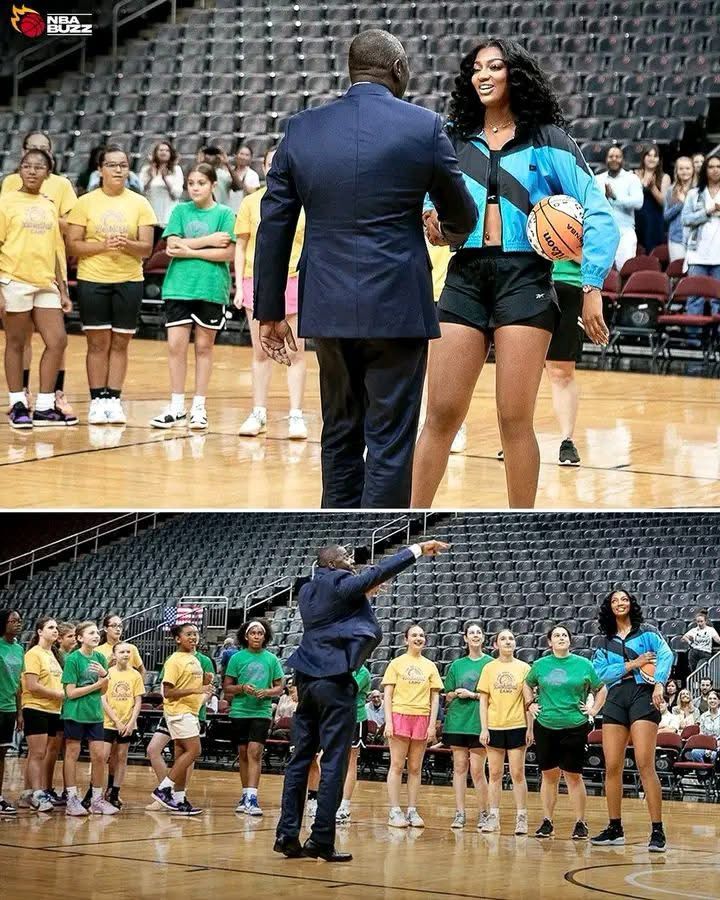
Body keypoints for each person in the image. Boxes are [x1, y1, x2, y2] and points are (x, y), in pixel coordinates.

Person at [254, 29, 477, 508]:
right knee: (391, 444)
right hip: (398, 304)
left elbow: (273, 224)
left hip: (328, 304)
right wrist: (446, 230)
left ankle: (337, 536)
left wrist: (269, 310)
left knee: (338, 433)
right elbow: (462, 213)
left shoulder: (302, 128)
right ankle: (376, 540)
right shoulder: (424, 126)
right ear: (398, 69)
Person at [413, 39, 617, 510]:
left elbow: (597, 211)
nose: (483, 75)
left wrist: (591, 285)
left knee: (514, 419)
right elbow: (428, 196)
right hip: (465, 274)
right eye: (476, 68)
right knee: (440, 414)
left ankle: (519, 524)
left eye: (495, 66)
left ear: (515, 75)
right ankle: (410, 519)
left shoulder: (548, 140)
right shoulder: (453, 139)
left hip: (525, 277)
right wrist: (433, 221)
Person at [273, 538, 449, 862]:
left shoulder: (308, 589)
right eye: (345, 557)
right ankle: (321, 839)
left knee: (300, 760)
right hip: (334, 680)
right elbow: (379, 571)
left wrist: (361, 595)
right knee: (334, 761)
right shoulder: (341, 584)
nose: (351, 560)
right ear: (330, 564)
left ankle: (287, 834)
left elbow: (336, 611)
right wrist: (418, 549)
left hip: (305, 680)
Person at [65, 144, 156, 425]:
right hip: (93, 280)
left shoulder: (140, 203)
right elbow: (73, 245)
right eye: (112, 165)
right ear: (100, 169)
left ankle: (113, 399)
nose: (118, 170)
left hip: (129, 281)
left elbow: (147, 249)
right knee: (97, 343)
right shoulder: (85, 203)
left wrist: (127, 244)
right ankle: (97, 400)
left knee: (120, 342)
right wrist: (102, 245)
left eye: (123, 165)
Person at [149, 162, 235, 431]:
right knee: (176, 347)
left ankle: (199, 407)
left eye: (201, 183)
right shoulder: (180, 211)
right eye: (191, 183)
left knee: (204, 348)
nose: (195, 188)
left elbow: (228, 253)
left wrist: (187, 249)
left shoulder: (225, 214)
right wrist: (207, 241)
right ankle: (176, 406)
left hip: (210, 288)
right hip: (179, 287)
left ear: (213, 185)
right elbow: (171, 246)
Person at [1, 131, 78, 419]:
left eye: (38, 167)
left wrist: (63, 289)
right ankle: (17, 403)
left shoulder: (49, 205)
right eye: (27, 166)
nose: (32, 171)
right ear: (20, 169)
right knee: (16, 342)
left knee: (57, 341)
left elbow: (56, 249)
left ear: (48, 173)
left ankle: (45, 405)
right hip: (14, 281)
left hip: (46, 283)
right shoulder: (5, 202)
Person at [590, 588, 674, 852]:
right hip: (616, 697)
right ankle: (615, 828)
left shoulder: (647, 631)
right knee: (612, 766)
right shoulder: (604, 642)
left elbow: (666, 655)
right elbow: (599, 674)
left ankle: (657, 830)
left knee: (645, 764)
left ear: (631, 604)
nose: (620, 603)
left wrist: (659, 683)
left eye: (624, 599)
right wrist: (632, 664)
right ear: (609, 607)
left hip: (643, 694)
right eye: (615, 600)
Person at [234, 147, 308, 441]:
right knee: (261, 351)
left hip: (296, 279)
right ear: (264, 168)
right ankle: (258, 412)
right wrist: (239, 284)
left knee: (296, 351)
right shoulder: (251, 203)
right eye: (270, 162)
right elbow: (241, 246)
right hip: (257, 280)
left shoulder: (305, 201)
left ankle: (296, 415)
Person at [523, 624, 607, 840]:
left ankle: (580, 822)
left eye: (564, 635)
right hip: (545, 725)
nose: (561, 638)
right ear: (549, 642)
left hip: (575, 726)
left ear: (570, 640)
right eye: (556, 635)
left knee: (573, 776)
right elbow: (526, 684)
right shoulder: (540, 665)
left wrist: (593, 710)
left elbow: (601, 688)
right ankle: (547, 821)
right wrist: (530, 704)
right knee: (548, 775)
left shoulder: (584, 664)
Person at [382, 625, 443, 828]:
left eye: (422, 635)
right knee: (397, 765)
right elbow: (388, 695)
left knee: (415, 767)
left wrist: (432, 725)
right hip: (399, 715)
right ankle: (394, 811)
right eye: (414, 635)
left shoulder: (430, 666)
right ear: (405, 639)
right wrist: (389, 721)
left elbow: (435, 698)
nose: (418, 638)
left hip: (421, 717)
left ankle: (412, 810)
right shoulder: (396, 664)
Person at [223, 619, 284, 816]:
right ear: (246, 636)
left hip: (261, 712)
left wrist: (266, 692)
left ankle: (252, 796)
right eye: (253, 633)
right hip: (240, 711)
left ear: (265, 637)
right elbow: (227, 687)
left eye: (260, 633)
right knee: (242, 753)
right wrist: (242, 688)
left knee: (255, 752)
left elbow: (279, 688)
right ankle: (244, 794)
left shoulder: (271, 659)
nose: (257, 636)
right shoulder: (236, 658)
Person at [145, 640, 214, 812]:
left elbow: (206, 689)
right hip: (177, 711)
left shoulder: (202, 660)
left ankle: (178, 797)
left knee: (184, 754)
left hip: (192, 711)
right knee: (187, 751)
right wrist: (194, 694)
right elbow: (167, 690)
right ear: (178, 638)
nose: (193, 638)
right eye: (188, 634)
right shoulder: (174, 659)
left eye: (195, 634)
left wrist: (197, 700)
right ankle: (164, 789)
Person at [477, 628, 532, 835]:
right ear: (496, 644)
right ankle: (493, 817)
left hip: (517, 726)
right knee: (495, 773)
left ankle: (522, 817)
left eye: (511, 638)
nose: (508, 641)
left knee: (517, 773)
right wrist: (484, 728)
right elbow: (483, 701)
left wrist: (530, 728)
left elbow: (528, 701)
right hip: (494, 726)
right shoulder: (489, 668)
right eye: (503, 639)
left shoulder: (524, 668)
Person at [61, 621, 117, 816]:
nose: (96, 636)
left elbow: (104, 689)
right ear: (80, 638)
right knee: (72, 754)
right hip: (75, 712)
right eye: (91, 633)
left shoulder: (100, 657)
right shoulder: (73, 659)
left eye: (96, 633)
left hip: (94, 714)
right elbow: (70, 693)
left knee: (100, 756)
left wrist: (105, 675)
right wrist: (98, 684)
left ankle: (96, 799)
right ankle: (71, 799)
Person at [442, 621, 492, 830]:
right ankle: (460, 813)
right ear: (465, 638)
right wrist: (454, 694)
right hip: (457, 722)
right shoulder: (457, 665)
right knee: (459, 767)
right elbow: (447, 694)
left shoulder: (491, 664)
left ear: (483, 637)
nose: (475, 635)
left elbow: (493, 696)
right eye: (471, 632)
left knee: (478, 770)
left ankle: (484, 813)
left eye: (478, 632)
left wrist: (472, 695)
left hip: (479, 723)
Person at [19, 617, 64, 813]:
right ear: (39, 631)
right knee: (37, 753)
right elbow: (32, 685)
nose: (55, 630)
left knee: (38, 753)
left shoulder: (52, 654)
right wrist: (58, 694)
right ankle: (38, 794)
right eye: (50, 627)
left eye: (56, 628)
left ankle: (27, 793)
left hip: (53, 709)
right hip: (36, 707)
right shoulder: (33, 654)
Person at [545, 259, 585, 466]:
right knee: (522, 369)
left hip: (570, 285)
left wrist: (560, 246)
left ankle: (567, 440)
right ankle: (515, 438)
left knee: (561, 371)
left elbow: (594, 253)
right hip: (528, 281)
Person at [101, 642, 144, 808]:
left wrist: (131, 722)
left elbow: (138, 701)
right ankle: (95, 791)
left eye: (128, 652)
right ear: (114, 655)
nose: (125, 654)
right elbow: (103, 699)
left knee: (121, 757)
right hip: (108, 722)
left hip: (128, 724)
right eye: (121, 652)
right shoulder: (107, 673)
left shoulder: (135, 675)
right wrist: (117, 721)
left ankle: (114, 792)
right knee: (103, 756)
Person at [681, 154, 720, 320]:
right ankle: (692, 335)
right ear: (705, 170)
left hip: (718, 254)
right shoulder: (694, 194)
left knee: (718, 299)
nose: (715, 170)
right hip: (697, 253)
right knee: (694, 298)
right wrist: (707, 212)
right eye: (711, 167)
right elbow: (685, 219)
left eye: (718, 166)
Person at [43, 621, 77, 806]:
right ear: (60, 639)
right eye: (70, 636)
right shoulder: (56, 657)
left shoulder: (75, 655)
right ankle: (46, 788)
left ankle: (67, 790)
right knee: (52, 749)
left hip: (71, 707)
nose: (74, 639)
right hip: (58, 707)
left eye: (75, 635)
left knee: (68, 751)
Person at [595, 146, 644, 270]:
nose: (614, 159)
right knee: (603, 270)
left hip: (625, 231)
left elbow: (638, 202)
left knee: (625, 269)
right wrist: (604, 198)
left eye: (618, 156)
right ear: (606, 159)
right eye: (611, 156)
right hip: (603, 231)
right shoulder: (598, 179)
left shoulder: (631, 178)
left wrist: (615, 198)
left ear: (623, 160)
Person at [335, 663, 372, 824]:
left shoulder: (362, 672)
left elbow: (346, 691)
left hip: (356, 718)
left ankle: (344, 806)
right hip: (338, 718)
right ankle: (331, 799)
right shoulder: (340, 668)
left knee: (350, 762)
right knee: (323, 758)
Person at [0, 609, 23, 814]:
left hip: (9, 707)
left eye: (19, 621)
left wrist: (19, 712)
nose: (18, 623)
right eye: (13, 621)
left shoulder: (18, 649)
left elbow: (18, 683)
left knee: (2, 754)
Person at [139, 141, 185, 244]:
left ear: (171, 154)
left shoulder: (176, 170)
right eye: (161, 150)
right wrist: (151, 178)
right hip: (151, 215)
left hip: (168, 216)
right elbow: (141, 192)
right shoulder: (146, 170)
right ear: (156, 152)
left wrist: (165, 179)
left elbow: (177, 194)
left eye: (167, 150)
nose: (164, 152)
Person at [634, 144, 670, 254]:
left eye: (655, 156)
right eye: (649, 155)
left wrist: (653, 187)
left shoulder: (664, 177)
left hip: (654, 220)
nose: (652, 158)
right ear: (643, 157)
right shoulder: (634, 174)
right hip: (636, 218)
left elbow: (664, 203)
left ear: (659, 160)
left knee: (652, 252)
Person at [664, 156, 694, 262]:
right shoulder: (671, 190)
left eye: (687, 168)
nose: (684, 171)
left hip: (695, 238)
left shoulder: (699, 190)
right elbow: (666, 216)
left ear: (693, 170)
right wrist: (680, 204)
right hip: (676, 238)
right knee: (676, 270)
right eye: (681, 169)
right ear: (676, 171)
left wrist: (685, 202)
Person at [682, 609, 720, 674]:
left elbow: (717, 639)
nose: (700, 623)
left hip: (705, 653)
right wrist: (690, 642)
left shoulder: (710, 630)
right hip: (694, 652)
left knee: (699, 669)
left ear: (705, 621)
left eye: (701, 621)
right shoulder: (694, 630)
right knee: (693, 672)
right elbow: (684, 638)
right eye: (698, 622)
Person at [687, 690, 720, 761]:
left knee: (715, 754)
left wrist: (715, 745)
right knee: (695, 753)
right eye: (710, 699)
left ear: (719, 701)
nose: (712, 701)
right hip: (706, 744)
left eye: (715, 699)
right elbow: (701, 733)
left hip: (718, 744)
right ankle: (703, 768)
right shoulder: (703, 716)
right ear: (707, 701)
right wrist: (708, 746)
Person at [227, 145, 260, 213]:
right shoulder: (227, 173)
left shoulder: (253, 175)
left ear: (251, 158)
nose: (243, 157)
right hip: (228, 211)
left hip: (243, 212)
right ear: (236, 155)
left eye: (247, 155)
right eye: (241, 154)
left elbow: (254, 194)